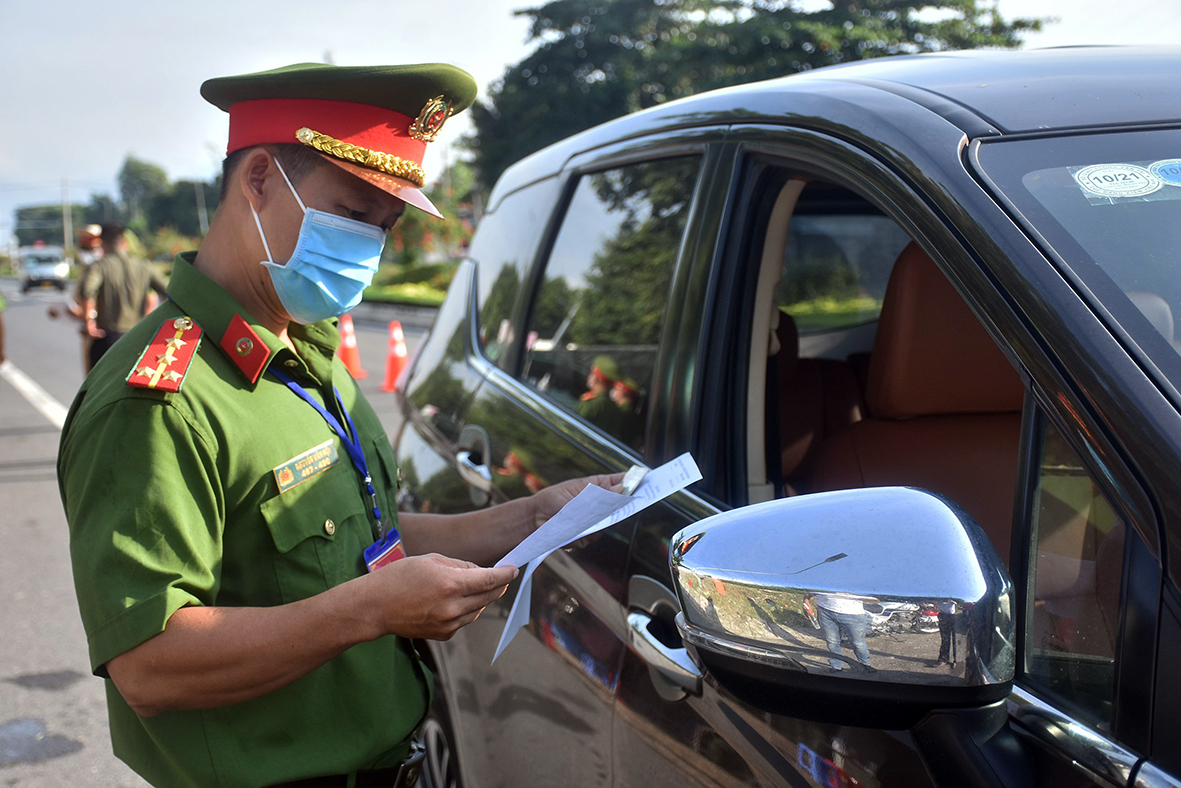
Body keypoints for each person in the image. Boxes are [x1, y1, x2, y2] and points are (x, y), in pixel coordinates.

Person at [57, 62, 622, 788]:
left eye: (385, 227)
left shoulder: (306, 348)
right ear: (258, 179)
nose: (370, 247)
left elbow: (355, 540)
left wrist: (533, 514)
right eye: (353, 216)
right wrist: (367, 611)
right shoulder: (160, 401)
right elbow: (150, 665)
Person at [75, 222, 169, 370]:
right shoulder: (145, 266)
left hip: (107, 339)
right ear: (124, 242)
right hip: (138, 338)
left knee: (97, 389)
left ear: (102, 243)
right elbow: (169, 290)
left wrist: (89, 322)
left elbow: (87, 291)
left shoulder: (99, 266)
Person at [813, 592, 877, 672]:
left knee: (858, 643)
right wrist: (806, 599)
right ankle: (836, 666)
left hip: (853, 614)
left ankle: (865, 665)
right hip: (825, 609)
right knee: (832, 642)